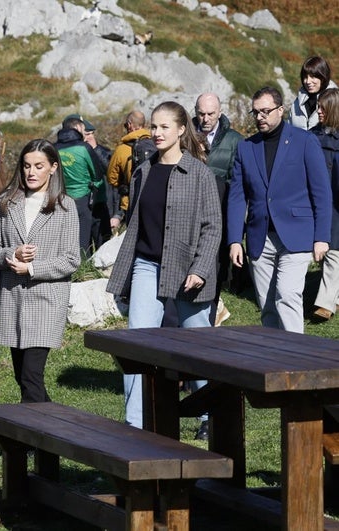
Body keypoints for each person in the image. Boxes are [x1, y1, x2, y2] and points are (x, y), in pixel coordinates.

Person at [106, 101, 221, 434]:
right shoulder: (144, 169)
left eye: (163, 127)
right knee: (137, 347)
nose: (156, 133)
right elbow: (138, 224)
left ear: (182, 129)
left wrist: (199, 269)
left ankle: (208, 416)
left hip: (189, 271)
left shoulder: (199, 172)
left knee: (197, 349)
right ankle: (135, 425)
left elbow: (213, 226)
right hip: (147, 265)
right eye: (153, 126)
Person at [0, 139, 80, 403]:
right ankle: (55, 431)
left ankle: (31, 440)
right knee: (22, 378)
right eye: (26, 166)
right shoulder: (5, 202)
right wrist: (10, 254)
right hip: (13, 300)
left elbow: (71, 259)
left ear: (53, 168)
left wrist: (32, 267)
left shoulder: (65, 207)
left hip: (47, 301)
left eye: (39, 166)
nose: (31, 172)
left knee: (30, 376)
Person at [228, 86, 331, 333]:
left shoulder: (305, 141)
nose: (260, 117)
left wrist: (322, 238)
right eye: (255, 112)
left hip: (297, 235)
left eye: (266, 111)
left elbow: (321, 193)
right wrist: (234, 240)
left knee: (287, 295)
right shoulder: (245, 147)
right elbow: (237, 197)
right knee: (267, 305)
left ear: (281, 110)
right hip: (259, 237)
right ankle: (274, 361)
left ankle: (298, 360)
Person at [193, 92, 244, 326]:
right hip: (191, 212)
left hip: (221, 213)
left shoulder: (234, 140)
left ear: (220, 113)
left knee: (217, 265)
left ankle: (212, 312)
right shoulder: (186, 134)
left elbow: (239, 181)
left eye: (210, 114)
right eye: (201, 113)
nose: (205, 118)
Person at [54, 114, 105, 258]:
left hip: (60, 198)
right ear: (76, 129)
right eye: (83, 130)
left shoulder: (53, 148)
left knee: (64, 239)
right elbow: (97, 174)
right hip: (83, 198)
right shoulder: (83, 148)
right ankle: (82, 270)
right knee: (83, 239)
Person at [309, 88, 339, 321]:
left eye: (323, 108)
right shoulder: (311, 137)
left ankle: (325, 303)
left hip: (336, 203)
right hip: (317, 200)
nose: (318, 111)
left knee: (334, 254)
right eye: (318, 107)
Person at [106, 110, 152, 231]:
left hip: (131, 202)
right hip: (154, 199)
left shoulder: (121, 149)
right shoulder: (156, 145)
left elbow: (111, 178)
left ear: (130, 125)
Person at [82, 121, 113, 245]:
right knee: (84, 246)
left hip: (100, 204)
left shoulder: (103, 151)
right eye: (86, 134)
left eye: (91, 133)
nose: (90, 137)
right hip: (83, 204)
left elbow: (110, 171)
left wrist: (95, 149)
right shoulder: (77, 152)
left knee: (103, 244)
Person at [288, 56, 337, 131]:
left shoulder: (335, 101)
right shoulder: (297, 102)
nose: (308, 81)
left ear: (323, 78)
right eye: (305, 77)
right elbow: (289, 129)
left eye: (313, 77)